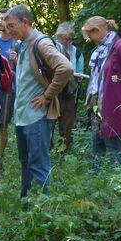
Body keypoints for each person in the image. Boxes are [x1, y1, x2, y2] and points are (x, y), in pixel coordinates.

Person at [3, 5, 73, 201]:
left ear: (25, 22)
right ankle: (27, 205)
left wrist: (48, 95)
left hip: (37, 116)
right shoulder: (22, 43)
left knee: (38, 164)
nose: (9, 31)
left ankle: (41, 211)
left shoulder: (40, 43)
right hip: (23, 116)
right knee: (25, 162)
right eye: (7, 27)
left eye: (12, 26)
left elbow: (66, 68)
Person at [81, 17, 121, 170]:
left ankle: (115, 180)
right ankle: (96, 178)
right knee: (96, 142)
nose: (89, 39)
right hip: (97, 103)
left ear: (97, 31)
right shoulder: (100, 49)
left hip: (114, 104)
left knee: (113, 143)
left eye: (89, 35)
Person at [0, 8, 18, 172]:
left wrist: (18, 59)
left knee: (3, 125)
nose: (0, 21)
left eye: (3, 18)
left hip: (9, 89)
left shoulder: (17, 43)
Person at [54, 22, 85, 150]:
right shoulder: (50, 48)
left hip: (69, 93)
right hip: (53, 93)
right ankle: (48, 150)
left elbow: (80, 72)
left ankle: (63, 151)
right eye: (64, 38)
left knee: (67, 125)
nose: (67, 41)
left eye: (69, 38)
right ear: (58, 37)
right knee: (48, 124)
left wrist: (78, 77)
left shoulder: (76, 53)